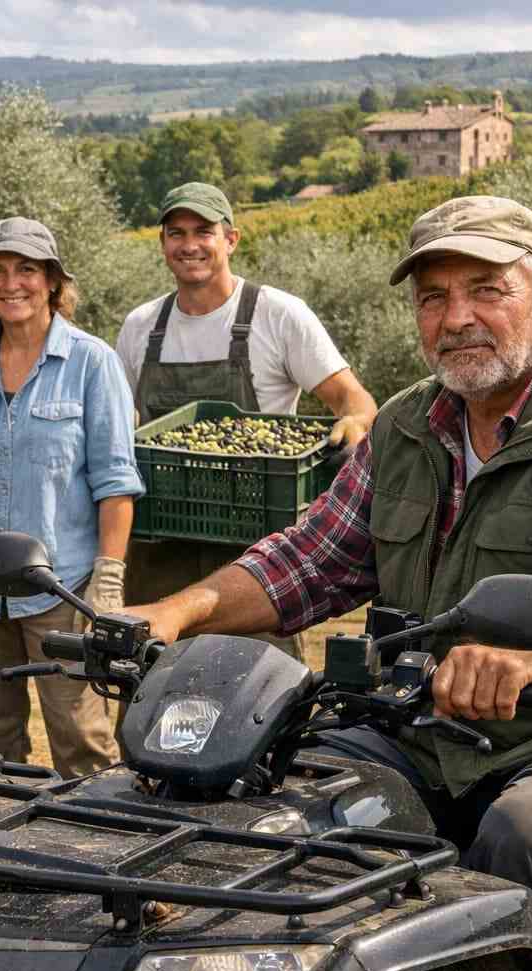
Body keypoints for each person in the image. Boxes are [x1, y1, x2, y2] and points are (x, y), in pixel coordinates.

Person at [128, 195, 532, 971]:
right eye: (433, 297)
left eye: (486, 290)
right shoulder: (410, 424)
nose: (457, 318)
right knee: (277, 798)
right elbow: (314, 559)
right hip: (433, 726)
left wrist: (529, 653)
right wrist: (178, 610)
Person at [114, 182, 379, 655]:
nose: (189, 245)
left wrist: (355, 425)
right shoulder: (140, 327)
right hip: (159, 545)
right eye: (176, 233)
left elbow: (354, 400)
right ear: (163, 244)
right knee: (150, 694)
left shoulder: (277, 315)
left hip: (252, 552)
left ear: (231, 239)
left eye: (204, 231)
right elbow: (124, 424)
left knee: (255, 696)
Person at [0, 217, 142, 777]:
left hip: (61, 587)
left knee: (80, 738)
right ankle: (0, 848)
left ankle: (91, 851)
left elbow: (115, 481)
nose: (11, 284)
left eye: (26, 270)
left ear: (52, 282)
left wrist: (108, 577)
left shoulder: (93, 362)